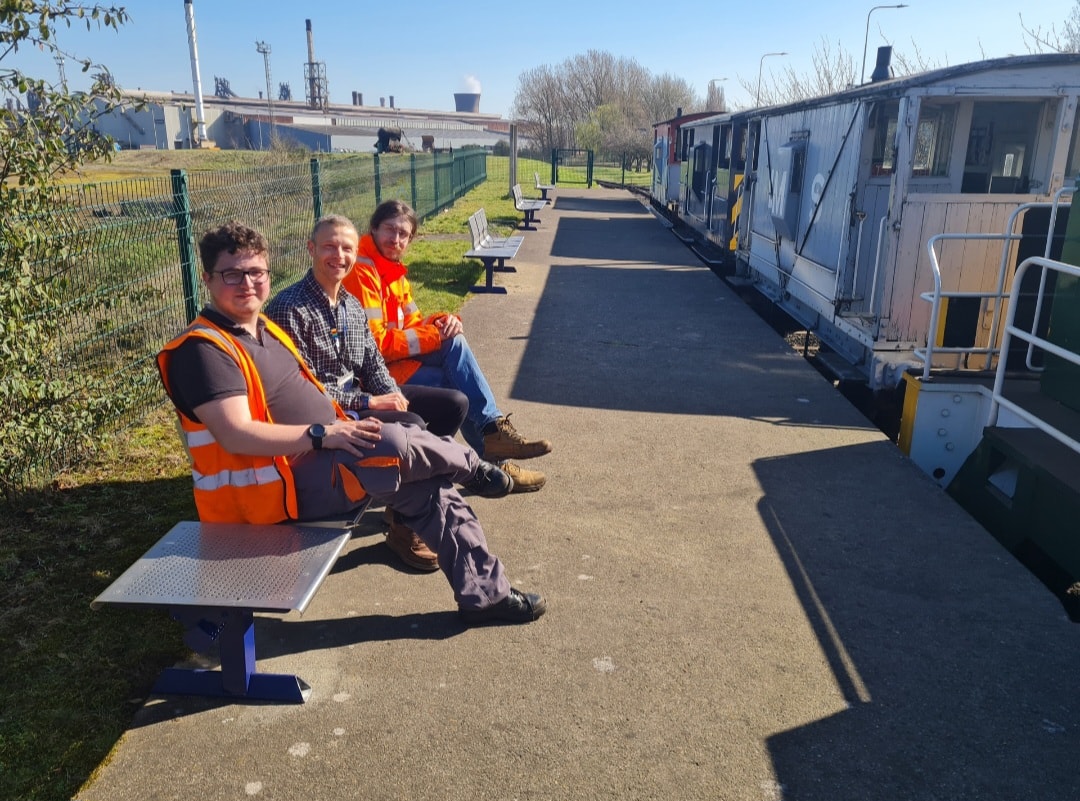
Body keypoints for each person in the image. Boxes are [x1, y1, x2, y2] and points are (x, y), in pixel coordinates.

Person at [156, 220, 546, 626]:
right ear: (206, 278)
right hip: (277, 492)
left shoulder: (262, 329)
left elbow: (350, 373)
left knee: (430, 488)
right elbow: (235, 433)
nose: (247, 283)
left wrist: (351, 418)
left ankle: (487, 595)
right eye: (231, 274)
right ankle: (473, 466)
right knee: (393, 443)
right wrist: (326, 434)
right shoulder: (204, 351)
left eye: (256, 272)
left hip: (321, 461)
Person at [266, 214, 477, 572]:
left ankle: (402, 512)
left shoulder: (349, 304)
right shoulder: (289, 309)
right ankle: (412, 518)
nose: (339, 255)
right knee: (411, 424)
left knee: (452, 405)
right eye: (329, 246)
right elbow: (305, 389)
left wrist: (393, 393)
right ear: (311, 249)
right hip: (328, 415)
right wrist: (370, 402)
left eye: (347, 248)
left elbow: (373, 363)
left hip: (361, 398)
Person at [341, 199, 553, 480]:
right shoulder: (363, 270)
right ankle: (490, 462)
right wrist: (434, 335)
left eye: (403, 234)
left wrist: (443, 321)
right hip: (375, 377)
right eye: (390, 230)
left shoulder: (392, 271)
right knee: (455, 382)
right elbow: (377, 346)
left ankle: (493, 445)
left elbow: (414, 323)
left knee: (454, 343)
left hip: (399, 362)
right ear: (374, 229)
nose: (396, 239)